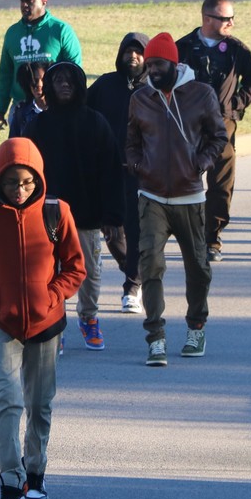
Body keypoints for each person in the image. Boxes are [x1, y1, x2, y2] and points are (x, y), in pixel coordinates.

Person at [0, 137, 85, 499]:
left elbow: (75, 267)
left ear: (39, 180)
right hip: (1, 323)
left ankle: (36, 473)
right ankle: (11, 485)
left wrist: (53, 296)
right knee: (8, 399)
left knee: (39, 404)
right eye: (12, 182)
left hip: (46, 323)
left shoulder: (56, 213)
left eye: (27, 182)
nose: (19, 190)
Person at [126, 32, 228, 366]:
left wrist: (201, 163)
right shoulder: (141, 98)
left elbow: (218, 136)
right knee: (150, 264)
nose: (152, 69)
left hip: (189, 197)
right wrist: (138, 166)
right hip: (152, 196)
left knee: (198, 267)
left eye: (158, 63)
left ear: (174, 63)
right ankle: (155, 337)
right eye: (149, 63)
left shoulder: (201, 94)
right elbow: (132, 141)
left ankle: (196, 327)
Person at [24, 62, 125, 351]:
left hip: (87, 215)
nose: (65, 85)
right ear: (50, 87)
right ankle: (54, 322)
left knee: (89, 272)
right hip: (47, 216)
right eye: (58, 81)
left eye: (71, 80)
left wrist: (113, 215)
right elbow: (25, 171)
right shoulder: (38, 125)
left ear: (80, 85)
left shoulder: (95, 122)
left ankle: (89, 318)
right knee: (50, 273)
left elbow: (111, 171)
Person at [176, 0, 251, 263]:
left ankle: (212, 239)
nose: (231, 23)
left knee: (221, 184)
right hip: (187, 124)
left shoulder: (237, 49)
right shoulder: (183, 47)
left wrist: (234, 107)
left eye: (232, 18)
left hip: (222, 124)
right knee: (186, 181)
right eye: (225, 18)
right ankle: (189, 236)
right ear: (207, 19)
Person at [88, 32, 149, 314]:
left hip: (142, 172)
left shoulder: (153, 88)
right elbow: (82, 113)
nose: (133, 56)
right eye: (128, 51)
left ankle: (132, 288)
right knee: (111, 230)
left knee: (136, 230)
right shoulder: (105, 85)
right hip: (108, 170)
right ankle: (134, 268)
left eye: (138, 52)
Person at [0, 0, 82, 133]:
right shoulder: (12, 33)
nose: (25, 5)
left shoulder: (61, 31)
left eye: (30, 0)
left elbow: (75, 71)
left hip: (53, 105)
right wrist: (0, 109)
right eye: (22, 0)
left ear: (43, 2)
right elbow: (6, 74)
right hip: (20, 106)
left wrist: (71, 103)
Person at [8, 60, 50, 138]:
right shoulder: (21, 112)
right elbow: (14, 142)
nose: (39, 85)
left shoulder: (59, 110)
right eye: (34, 80)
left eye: (43, 80)